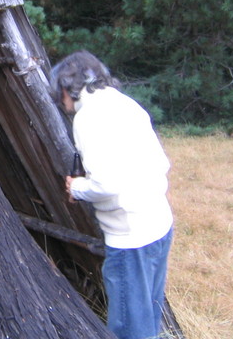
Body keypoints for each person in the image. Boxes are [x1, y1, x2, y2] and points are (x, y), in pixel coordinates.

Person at [50, 50, 173, 339]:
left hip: (131, 240)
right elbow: (160, 162)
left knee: (129, 329)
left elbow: (107, 183)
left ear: (69, 87)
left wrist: (77, 188)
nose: (62, 105)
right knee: (148, 316)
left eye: (61, 96)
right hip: (159, 225)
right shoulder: (123, 103)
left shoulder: (88, 118)